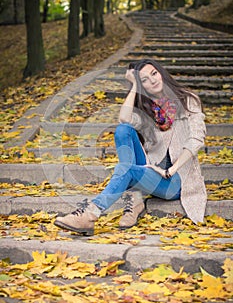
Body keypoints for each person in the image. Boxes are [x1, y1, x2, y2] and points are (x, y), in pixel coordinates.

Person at [54, 59, 207, 235]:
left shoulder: (187, 99)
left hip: (176, 180)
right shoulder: (148, 110)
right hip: (151, 171)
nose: (153, 80)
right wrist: (134, 86)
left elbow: (196, 139)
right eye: (144, 80)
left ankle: (90, 214)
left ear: (161, 72)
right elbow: (124, 118)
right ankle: (134, 197)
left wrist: (170, 170)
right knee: (123, 130)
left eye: (154, 73)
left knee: (126, 169)